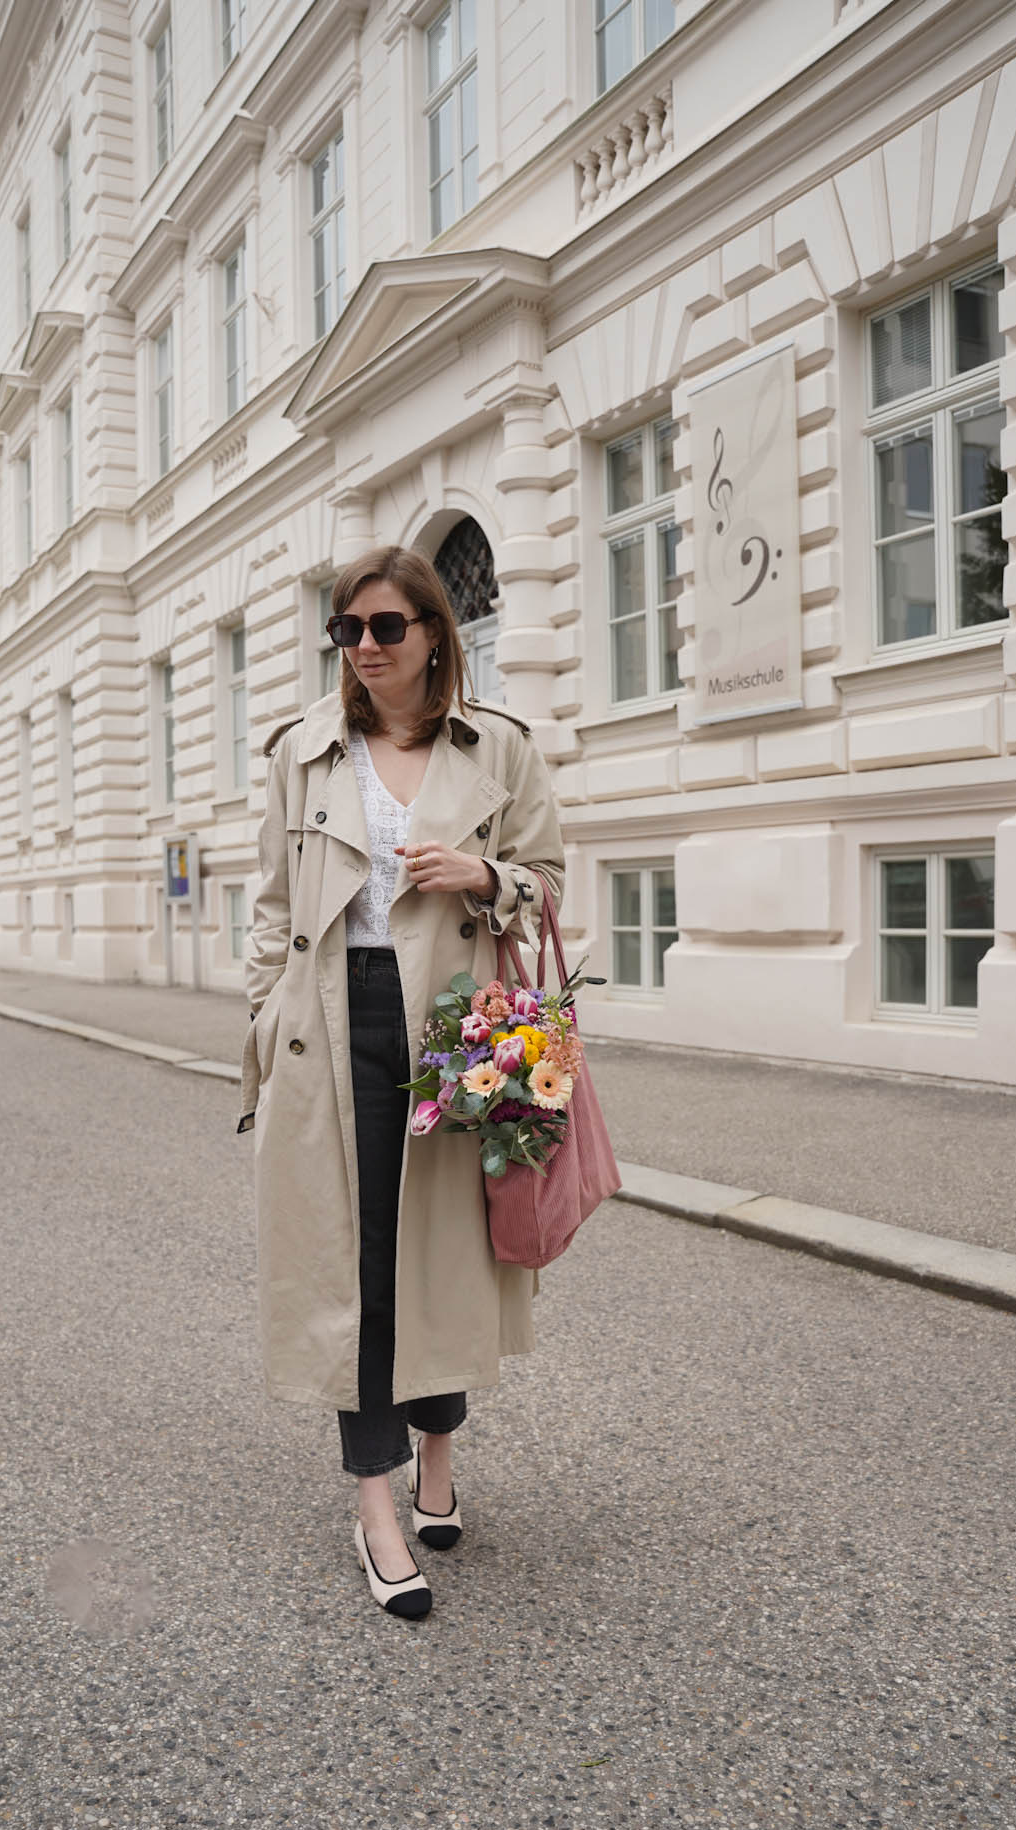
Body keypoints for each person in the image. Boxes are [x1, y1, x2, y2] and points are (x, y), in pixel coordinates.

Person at [239, 545, 564, 1620]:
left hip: (458, 1023)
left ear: (434, 633)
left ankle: (437, 1453)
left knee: (439, 1258)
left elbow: (549, 881)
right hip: (332, 1024)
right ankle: (375, 1504)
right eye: (348, 630)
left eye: (386, 627)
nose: (365, 648)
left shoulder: (499, 747)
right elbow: (271, 907)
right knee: (356, 1267)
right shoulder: (302, 751)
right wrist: (262, 1017)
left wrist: (487, 875)